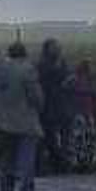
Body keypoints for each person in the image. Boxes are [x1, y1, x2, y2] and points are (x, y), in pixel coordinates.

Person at [0, 42, 44, 191]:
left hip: (2, 120)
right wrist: (40, 107)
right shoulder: (27, 69)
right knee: (26, 160)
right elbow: (36, 97)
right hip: (25, 120)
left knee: (6, 160)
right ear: (24, 53)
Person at [37, 39, 71, 173]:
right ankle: (51, 163)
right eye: (54, 47)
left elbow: (66, 77)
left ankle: (59, 163)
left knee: (59, 136)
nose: (57, 49)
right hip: (47, 105)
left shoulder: (61, 63)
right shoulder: (43, 64)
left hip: (60, 104)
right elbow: (44, 80)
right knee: (48, 136)